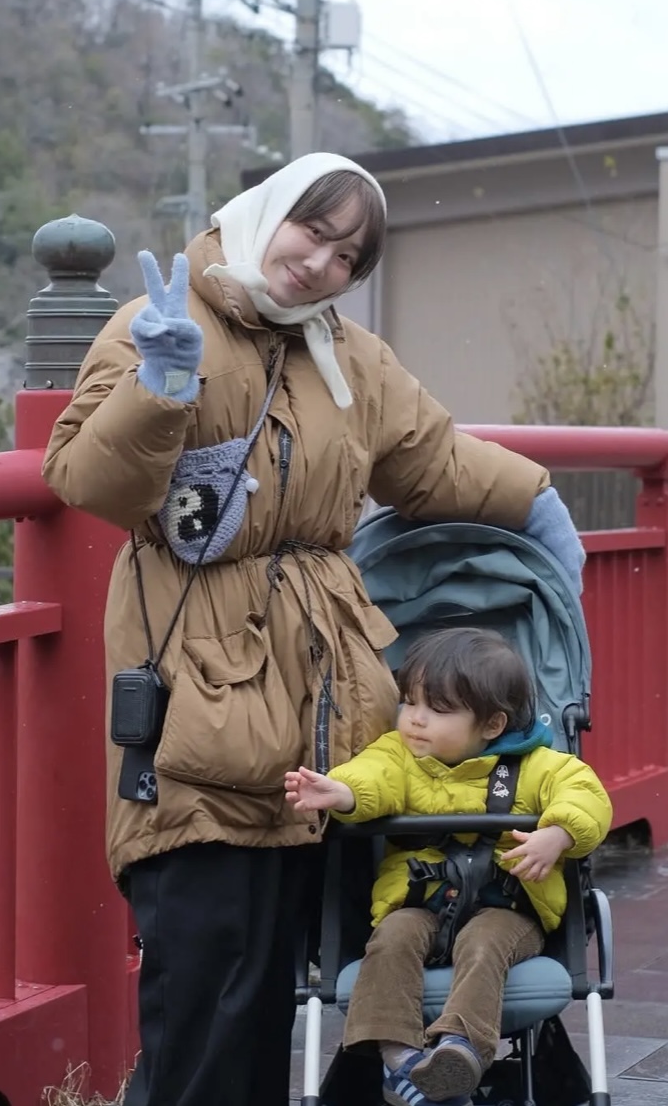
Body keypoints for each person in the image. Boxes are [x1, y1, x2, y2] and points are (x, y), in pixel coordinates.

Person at [41, 151, 588, 1106]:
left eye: (348, 255)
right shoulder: (159, 323)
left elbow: (431, 462)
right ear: (266, 214)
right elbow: (90, 482)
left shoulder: (348, 358)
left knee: (280, 984)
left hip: (328, 708)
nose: (321, 263)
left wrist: (538, 504)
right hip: (199, 704)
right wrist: (159, 387)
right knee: (208, 980)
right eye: (312, 231)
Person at [286, 627, 612, 1106]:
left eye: (437, 710)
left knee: (483, 943)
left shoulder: (541, 765)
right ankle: (402, 1060)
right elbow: (370, 775)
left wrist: (558, 833)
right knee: (391, 938)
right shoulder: (400, 757)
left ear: (492, 725)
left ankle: (460, 1048)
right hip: (421, 902)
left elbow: (587, 796)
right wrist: (343, 792)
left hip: (507, 909)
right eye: (409, 702)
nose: (414, 720)